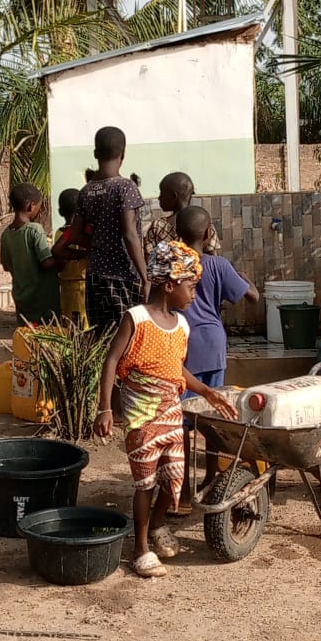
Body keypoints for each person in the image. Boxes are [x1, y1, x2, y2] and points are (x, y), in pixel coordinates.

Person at [94, 241, 237, 578]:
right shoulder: (137, 318)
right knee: (145, 482)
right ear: (170, 284)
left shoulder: (182, 326)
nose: (194, 295)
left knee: (173, 477)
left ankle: (157, 526)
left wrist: (206, 392)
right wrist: (104, 408)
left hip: (172, 413)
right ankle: (141, 549)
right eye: (191, 287)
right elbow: (112, 360)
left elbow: (176, 369)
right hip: (141, 417)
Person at [175, 205, 259, 510]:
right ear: (209, 233)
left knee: (182, 422)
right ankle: (211, 479)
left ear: (177, 234)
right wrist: (243, 276)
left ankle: (183, 489)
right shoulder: (219, 264)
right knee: (212, 415)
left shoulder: (174, 264)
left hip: (181, 347)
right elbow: (252, 297)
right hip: (212, 346)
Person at [63, 126, 148, 333]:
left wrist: (99, 242)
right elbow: (130, 234)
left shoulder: (86, 191)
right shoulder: (125, 187)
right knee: (128, 338)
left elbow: (74, 235)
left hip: (95, 277)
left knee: (102, 337)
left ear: (95, 154)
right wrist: (145, 277)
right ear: (123, 154)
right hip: (124, 276)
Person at [0, 183, 60, 326]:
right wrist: (62, 258)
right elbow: (46, 262)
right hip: (42, 298)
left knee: (28, 335)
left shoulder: (6, 234)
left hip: (22, 297)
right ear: (31, 206)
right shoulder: (35, 230)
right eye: (39, 205)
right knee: (47, 335)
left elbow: (6, 266)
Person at [144, 171, 220, 259]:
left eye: (162, 193)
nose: (159, 198)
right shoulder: (203, 222)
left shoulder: (158, 226)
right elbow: (213, 257)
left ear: (174, 196)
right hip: (199, 271)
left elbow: (149, 259)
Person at [51, 187, 89, 328]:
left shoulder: (60, 234)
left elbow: (59, 262)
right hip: (84, 283)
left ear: (60, 212)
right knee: (84, 324)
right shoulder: (87, 232)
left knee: (69, 324)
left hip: (66, 285)